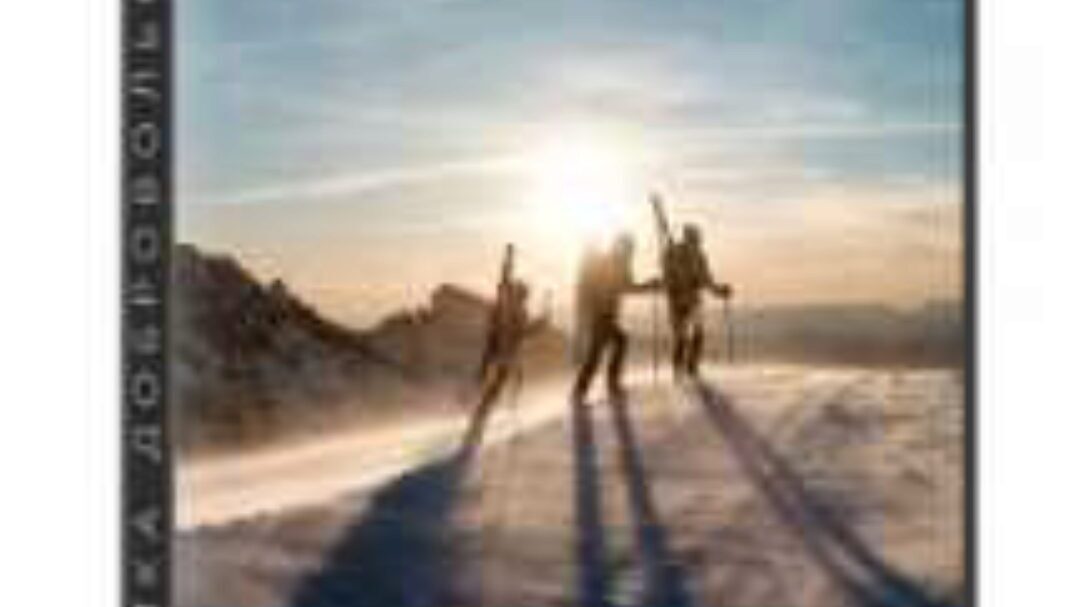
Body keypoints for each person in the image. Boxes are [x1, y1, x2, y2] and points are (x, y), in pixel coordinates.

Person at [463, 279, 548, 449]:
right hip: (504, 354)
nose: (525, 298)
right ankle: (483, 415)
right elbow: (522, 331)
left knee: (509, 382)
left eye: (524, 295)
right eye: (524, 295)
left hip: (503, 353)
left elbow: (519, 330)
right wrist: (539, 324)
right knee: (497, 386)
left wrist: (539, 324)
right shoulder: (514, 310)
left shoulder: (511, 308)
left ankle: (495, 410)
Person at [571, 233, 656, 401]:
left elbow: (627, 287)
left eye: (631, 249)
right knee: (611, 346)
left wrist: (649, 286)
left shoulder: (621, 265)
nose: (630, 252)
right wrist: (648, 287)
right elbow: (624, 287)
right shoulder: (611, 263)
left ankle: (584, 390)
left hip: (604, 314)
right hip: (600, 314)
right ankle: (599, 386)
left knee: (602, 350)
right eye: (629, 248)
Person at [661, 224, 733, 378]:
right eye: (694, 239)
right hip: (677, 303)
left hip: (693, 301)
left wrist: (719, 291)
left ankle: (692, 368)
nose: (696, 243)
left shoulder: (699, 256)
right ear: (687, 238)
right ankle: (678, 372)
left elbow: (706, 279)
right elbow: (666, 276)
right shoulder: (673, 253)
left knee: (698, 333)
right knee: (680, 337)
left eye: (697, 240)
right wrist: (673, 285)